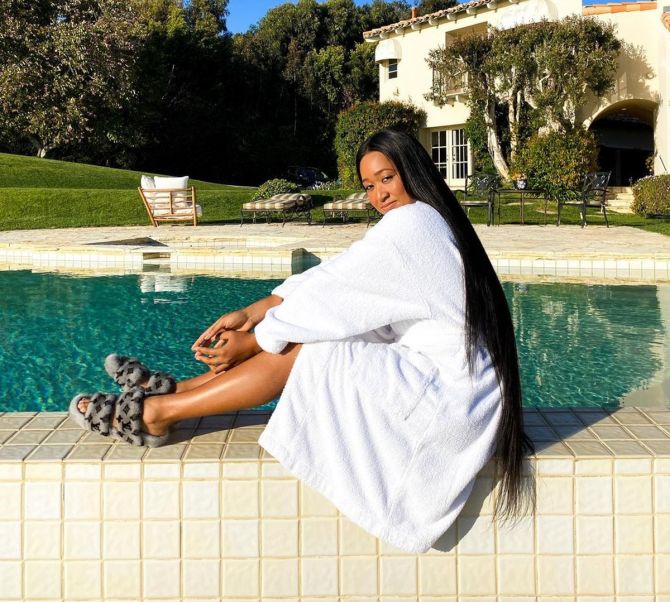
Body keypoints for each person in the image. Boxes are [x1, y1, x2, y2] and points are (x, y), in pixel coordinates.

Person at [70, 128, 533, 553]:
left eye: (387, 178)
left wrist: (257, 338)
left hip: (449, 403)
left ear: (412, 170)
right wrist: (255, 312)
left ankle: (158, 412)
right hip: (454, 389)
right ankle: (179, 391)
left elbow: (336, 292)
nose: (379, 195)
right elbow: (339, 275)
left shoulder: (413, 224)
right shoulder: (427, 220)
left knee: (316, 345)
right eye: (369, 185)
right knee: (323, 329)